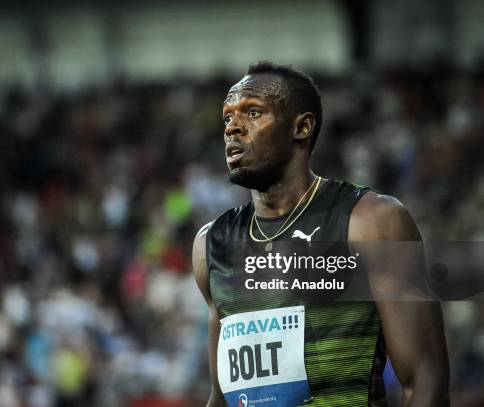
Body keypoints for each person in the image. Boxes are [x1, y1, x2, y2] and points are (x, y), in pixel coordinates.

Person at [192, 62, 450, 406]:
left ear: (302, 127)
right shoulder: (211, 244)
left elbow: (425, 379)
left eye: (253, 113)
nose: (233, 128)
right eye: (227, 117)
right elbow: (220, 396)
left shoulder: (371, 221)